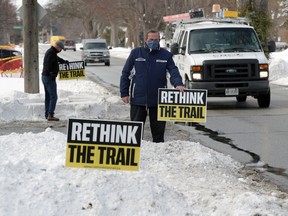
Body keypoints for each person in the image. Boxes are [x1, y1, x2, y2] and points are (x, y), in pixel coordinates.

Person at [120, 30, 186, 143]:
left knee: (158, 135)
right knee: (134, 134)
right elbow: (126, 73)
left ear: (159, 41)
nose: (153, 42)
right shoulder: (136, 53)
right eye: (151, 39)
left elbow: (173, 71)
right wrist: (124, 93)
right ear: (145, 40)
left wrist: (178, 84)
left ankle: (158, 154)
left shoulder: (166, 55)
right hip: (138, 99)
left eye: (156, 40)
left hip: (158, 100)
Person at [42, 40, 68, 121]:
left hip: (45, 77)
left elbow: (57, 59)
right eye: (61, 49)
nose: (60, 51)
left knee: (48, 96)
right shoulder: (51, 53)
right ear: (57, 47)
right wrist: (51, 73)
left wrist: (64, 61)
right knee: (54, 96)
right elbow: (46, 65)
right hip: (49, 78)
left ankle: (47, 114)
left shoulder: (52, 52)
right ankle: (50, 114)